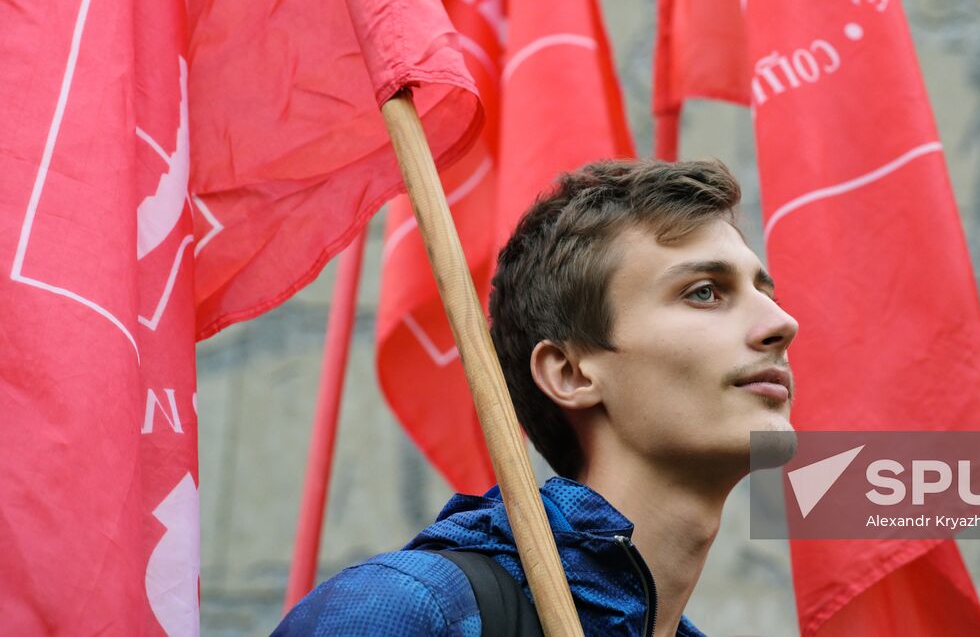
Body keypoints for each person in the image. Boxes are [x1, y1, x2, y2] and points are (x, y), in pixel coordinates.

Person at [273, 158, 799, 636]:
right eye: (704, 292)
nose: (782, 324)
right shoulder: (411, 610)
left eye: (765, 293)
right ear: (570, 372)